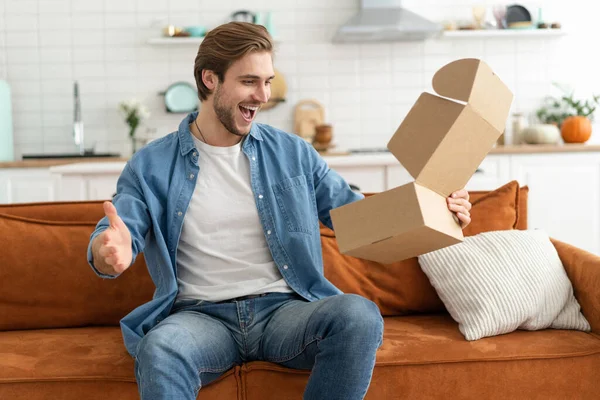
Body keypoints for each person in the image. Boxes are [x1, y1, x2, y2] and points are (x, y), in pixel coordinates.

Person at [88, 21, 472, 400]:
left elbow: (358, 218)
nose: (264, 95)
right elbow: (117, 235)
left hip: (284, 313)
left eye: (268, 81)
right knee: (160, 348)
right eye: (249, 81)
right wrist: (108, 252)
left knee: (358, 315)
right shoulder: (152, 164)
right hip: (199, 317)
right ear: (210, 79)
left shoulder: (293, 152)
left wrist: (438, 208)